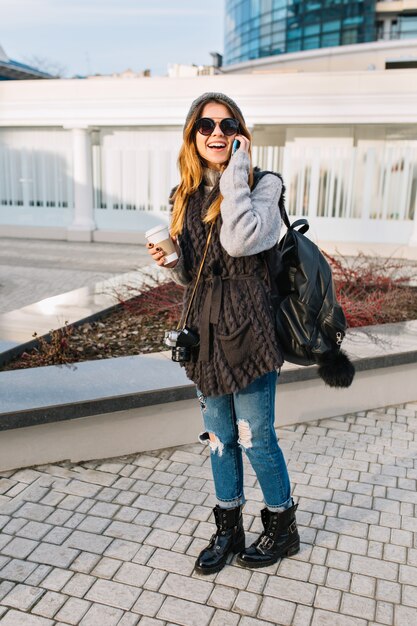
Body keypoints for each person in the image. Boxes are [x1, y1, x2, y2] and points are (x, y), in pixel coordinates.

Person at [146, 92, 299, 574]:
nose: (217, 133)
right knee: (219, 438)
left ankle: (281, 526)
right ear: (192, 135)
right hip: (204, 334)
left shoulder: (264, 186)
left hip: (249, 331)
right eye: (206, 126)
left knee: (257, 438)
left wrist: (238, 169)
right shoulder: (182, 196)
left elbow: (239, 239)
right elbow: (193, 274)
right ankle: (228, 525)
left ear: (241, 134)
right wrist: (171, 260)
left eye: (228, 125)